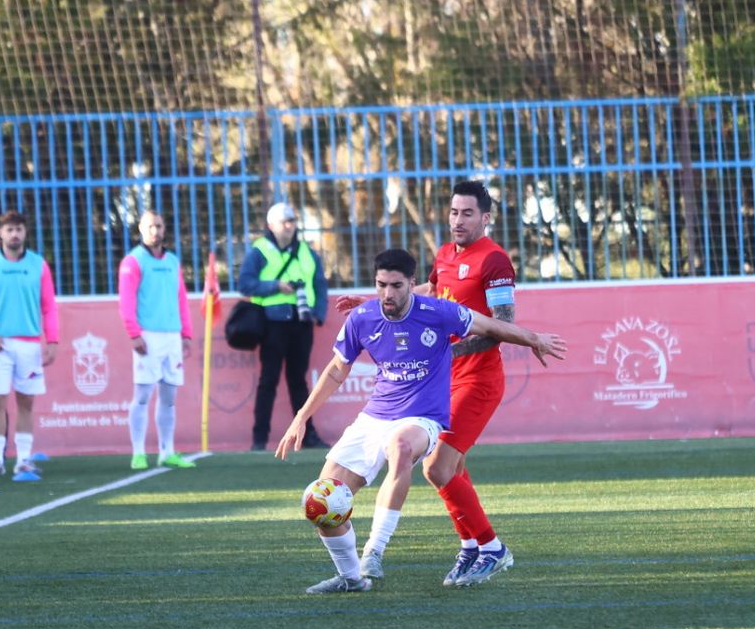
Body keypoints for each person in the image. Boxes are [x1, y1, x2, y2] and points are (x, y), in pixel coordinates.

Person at [275, 247, 566, 594]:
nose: (388, 293)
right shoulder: (362, 318)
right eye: (381, 285)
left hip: (422, 418)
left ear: (412, 284)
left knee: (401, 447)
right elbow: (337, 370)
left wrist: (534, 339)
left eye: (396, 286)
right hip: (374, 417)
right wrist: (301, 417)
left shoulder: (438, 312)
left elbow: (492, 325)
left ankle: (374, 552)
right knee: (321, 500)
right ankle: (351, 578)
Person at [0, 210, 58, 478]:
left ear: (25, 232)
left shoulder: (39, 265)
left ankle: (24, 460)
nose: (14, 234)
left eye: (18, 229)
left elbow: (49, 306)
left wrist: (52, 340)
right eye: (9, 230)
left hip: (30, 345)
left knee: (26, 402)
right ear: (0, 233)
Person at [238, 202, 327, 452]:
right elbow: (245, 284)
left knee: (299, 381)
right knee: (269, 380)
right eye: (284, 221)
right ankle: (259, 439)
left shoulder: (307, 252)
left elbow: (320, 285)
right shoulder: (260, 251)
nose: (289, 226)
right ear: (271, 225)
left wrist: (318, 314)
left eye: (292, 221)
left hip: (301, 323)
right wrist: (276, 286)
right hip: (272, 323)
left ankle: (308, 435)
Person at [116, 209, 195, 469]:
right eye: (150, 226)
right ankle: (138, 452)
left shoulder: (172, 261)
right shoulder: (133, 261)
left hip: (172, 336)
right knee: (142, 396)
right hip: (147, 336)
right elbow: (126, 301)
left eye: (158, 226)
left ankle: (167, 451)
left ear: (164, 228)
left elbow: (181, 298)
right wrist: (134, 333)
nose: (155, 231)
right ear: (140, 228)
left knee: (169, 397)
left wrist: (186, 333)